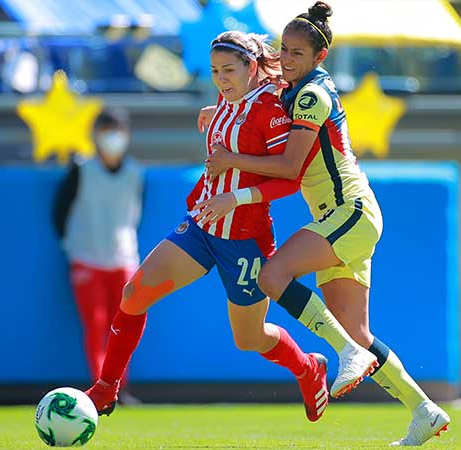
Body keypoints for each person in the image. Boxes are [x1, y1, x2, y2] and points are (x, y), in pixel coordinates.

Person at [84, 30, 379, 423]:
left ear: (251, 66)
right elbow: (231, 117)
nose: (221, 78)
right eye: (214, 71)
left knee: (249, 338)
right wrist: (213, 111)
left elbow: (290, 179)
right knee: (134, 294)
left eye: (228, 70)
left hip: (245, 239)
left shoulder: (274, 109)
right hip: (203, 226)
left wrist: (235, 192)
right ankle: (107, 388)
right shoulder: (226, 99)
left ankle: (308, 368)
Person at [194, 2, 450, 446]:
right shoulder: (293, 84)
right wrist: (215, 109)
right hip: (343, 217)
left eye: (297, 52)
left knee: (274, 275)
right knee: (358, 331)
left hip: (350, 213)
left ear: (319, 58)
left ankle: (346, 353)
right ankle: (424, 410)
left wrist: (231, 158)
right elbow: (241, 80)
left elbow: (291, 166)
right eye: (284, 49)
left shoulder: (311, 95)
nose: (287, 58)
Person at [53, 109, 143, 405]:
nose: (113, 138)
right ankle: (100, 389)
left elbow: (134, 213)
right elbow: (60, 212)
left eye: (118, 130)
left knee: (124, 326)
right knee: (95, 324)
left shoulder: (134, 173)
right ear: (95, 135)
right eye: (107, 130)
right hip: (86, 258)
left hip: (124, 259)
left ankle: (119, 389)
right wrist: (71, 245)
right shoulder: (81, 170)